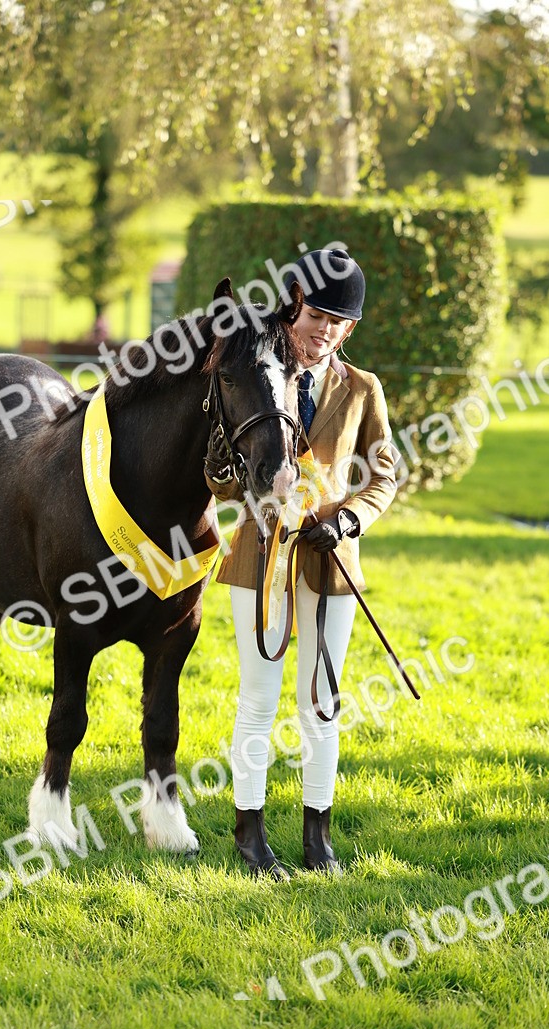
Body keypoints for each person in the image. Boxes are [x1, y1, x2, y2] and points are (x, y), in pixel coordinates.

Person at [204, 247, 397, 880]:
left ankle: (319, 837)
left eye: (336, 324)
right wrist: (241, 487)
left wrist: (348, 519)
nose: (322, 332)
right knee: (258, 699)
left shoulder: (363, 390)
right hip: (260, 557)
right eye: (314, 316)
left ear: (350, 330)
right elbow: (227, 477)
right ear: (293, 308)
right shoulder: (259, 373)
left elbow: (383, 474)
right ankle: (250, 836)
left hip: (330, 562)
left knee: (322, 702)